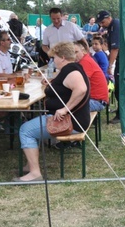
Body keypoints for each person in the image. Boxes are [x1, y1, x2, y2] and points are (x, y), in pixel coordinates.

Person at [17, 42, 90, 182]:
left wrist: (65, 109)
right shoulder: (70, 69)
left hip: (71, 122)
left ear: (62, 57)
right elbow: (65, 87)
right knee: (31, 126)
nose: (53, 60)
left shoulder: (71, 71)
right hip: (73, 119)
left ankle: (34, 173)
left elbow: (81, 89)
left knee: (25, 130)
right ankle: (29, 164)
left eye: (54, 57)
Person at [73, 39, 109, 112]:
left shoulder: (85, 62)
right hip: (96, 100)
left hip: (97, 102)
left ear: (83, 51)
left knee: (65, 106)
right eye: (72, 53)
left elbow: (79, 85)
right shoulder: (85, 59)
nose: (74, 55)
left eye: (76, 52)